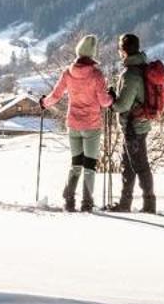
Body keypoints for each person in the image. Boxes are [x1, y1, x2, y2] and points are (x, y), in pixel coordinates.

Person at [42, 34, 112, 212]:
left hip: (73, 124)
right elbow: (104, 102)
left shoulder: (67, 72)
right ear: (92, 54)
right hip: (92, 126)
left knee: (76, 163)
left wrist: (44, 102)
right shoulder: (96, 75)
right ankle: (87, 203)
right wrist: (112, 97)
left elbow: (56, 96)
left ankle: (69, 199)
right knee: (89, 166)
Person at [110, 32, 156, 213]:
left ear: (124, 50)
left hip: (133, 127)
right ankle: (125, 203)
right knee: (129, 165)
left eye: (120, 48)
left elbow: (122, 105)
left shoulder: (131, 75)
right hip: (137, 125)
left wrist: (112, 100)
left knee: (139, 165)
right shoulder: (141, 68)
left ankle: (149, 204)